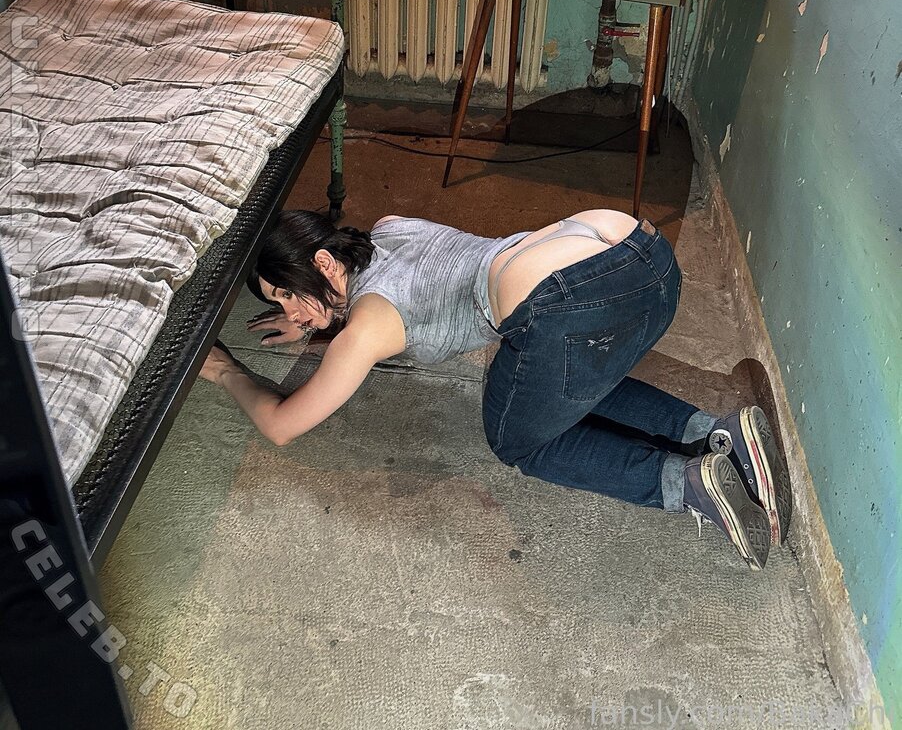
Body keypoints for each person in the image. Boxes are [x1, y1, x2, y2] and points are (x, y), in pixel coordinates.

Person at [200, 209, 792, 571]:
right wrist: (313, 319)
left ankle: (692, 484)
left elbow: (281, 424)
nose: (290, 312)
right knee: (557, 374)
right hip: (642, 254)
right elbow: (402, 290)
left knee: (518, 438)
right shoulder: (389, 229)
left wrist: (227, 370)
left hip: (570, 305)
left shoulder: (366, 330)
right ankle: (719, 432)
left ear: (326, 264)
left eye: (287, 293)